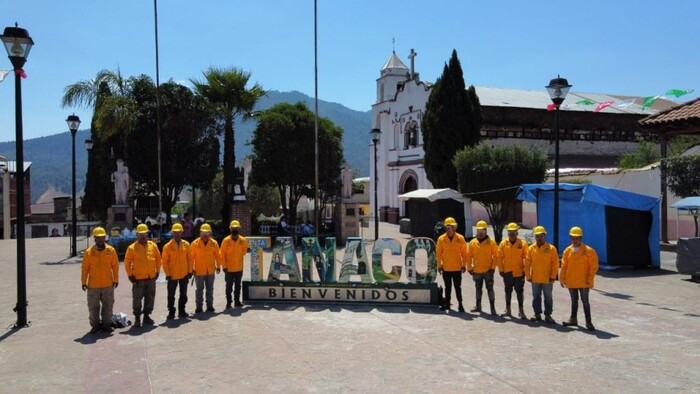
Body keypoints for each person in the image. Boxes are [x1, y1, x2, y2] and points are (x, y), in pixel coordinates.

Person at [81, 227, 119, 334]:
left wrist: (115, 279)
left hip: (108, 284)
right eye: (99, 238)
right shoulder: (89, 252)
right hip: (93, 285)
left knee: (108, 305)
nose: (101, 240)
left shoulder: (110, 250)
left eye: (103, 237)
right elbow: (85, 268)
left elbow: (115, 266)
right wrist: (84, 282)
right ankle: (95, 326)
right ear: (95, 239)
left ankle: (107, 324)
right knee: (93, 307)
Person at [561, 226, 599, 331]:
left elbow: (593, 267)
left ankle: (588, 322)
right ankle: (573, 319)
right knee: (574, 301)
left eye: (577, 238)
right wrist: (562, 279)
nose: (575, 240)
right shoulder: (567, 251)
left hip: (584, 281)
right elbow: (564, 266)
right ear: (570, 238)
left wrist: (589, 279)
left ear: (581, 238)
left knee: (585, 301)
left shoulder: (589, 251)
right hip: (571, 280)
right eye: (573, 238)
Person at [124, 223, 162, 328]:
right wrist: (130, 275)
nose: (142, 236)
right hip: (138, 279)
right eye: (140, 234)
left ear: (147, 234)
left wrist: (157, 271)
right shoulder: (132, 248)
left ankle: (146, 316)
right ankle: (137, 318)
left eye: (144, 234)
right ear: (137, 235)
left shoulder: (153, 245)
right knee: (137, 299)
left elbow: (158, 258)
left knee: (150, 298)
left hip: (151, 277)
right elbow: (127, 263)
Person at [525, 226, 559, 324]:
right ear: (535, 237)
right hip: (535, 278)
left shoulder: (551, 248)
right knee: (536, 296)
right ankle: (537, 314)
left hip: (547, 278)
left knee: (548, 297)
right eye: (537, 236)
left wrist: (553, 276)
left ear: (545, 236)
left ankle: (548, 315)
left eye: (541, 236)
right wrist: (528, 275)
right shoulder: (531, 248)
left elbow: (555, 263)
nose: (539, 238)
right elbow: (527, 263)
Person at [436, 217, 469, 312]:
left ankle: (460, 304)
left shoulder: (460, 238)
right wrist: (439, 265)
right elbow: (438, 253)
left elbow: (464, 253)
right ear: (445, 227)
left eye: (452, 226)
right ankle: (447, 304)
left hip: (457, 268)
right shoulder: (441, 239)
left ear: (455, 227)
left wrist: (464, 265)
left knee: (458, 287)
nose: (450, 228)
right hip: (446, 268)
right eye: (448, 226)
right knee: (447, 287)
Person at [162, 223, 193, 320]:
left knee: (183, 294)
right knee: (171, 295)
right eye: (175, 232)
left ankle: (182, 310)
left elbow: (190, 259)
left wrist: (190, 271)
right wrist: (167, 274)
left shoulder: (186, 245)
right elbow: (164, 261)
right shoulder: (167, 246)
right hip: (172, 274)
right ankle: (171, 312)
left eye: (179, 232)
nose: (177, 234)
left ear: (182, 232)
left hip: (184, 273)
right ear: (172, 233)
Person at [497, 222, 528, 319]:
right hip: (508, 272)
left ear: (517, 233)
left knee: (519, 292)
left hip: (519, 272)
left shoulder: (522, 244)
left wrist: (525, 270)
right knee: (508, 291)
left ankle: (521, 310)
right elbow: (499, 257)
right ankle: (508, 309)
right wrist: (501, 269)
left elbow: (526, 258)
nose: (512, 234)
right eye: (510, 232)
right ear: (507, 233)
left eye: (514, 232)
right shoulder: (503, 243)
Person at [467, 220, 499, 315]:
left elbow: (496, 256)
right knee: (478, 289)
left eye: (482, 231)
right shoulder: (473, 243)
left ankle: (492, 308)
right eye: (479, 231)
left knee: (490, 289)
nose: (480, 233)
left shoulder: (491, 242)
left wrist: (493, 268)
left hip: (488, 270)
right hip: (476, 270)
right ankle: (478, 306)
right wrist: (469, 268)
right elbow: (469, 256)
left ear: (486, 231)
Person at [191, 223, 221, 313]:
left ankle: (210, 306)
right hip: (199, 270)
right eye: (203, 232)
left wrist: (218, 266)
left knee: (210, 289)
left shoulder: (214, 243)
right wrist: (191, 269)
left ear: (210, 233)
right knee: (199, 290)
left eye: (207, 232)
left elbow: (217, 256)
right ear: (200, 233)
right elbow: (191, 257)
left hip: (211, 270)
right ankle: (199, 307)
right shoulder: (195, 244)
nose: (205, 234)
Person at [220, 220, 248, 309]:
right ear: (230, 229)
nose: (235, 229)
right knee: (229, 286)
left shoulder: (242, 240)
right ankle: (228, 302)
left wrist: (237, 257)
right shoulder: (226, 240)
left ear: (239, 229)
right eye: (233, 228)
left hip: (239, 268)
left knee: (238, 286)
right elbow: (222, 254)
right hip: (229, 268)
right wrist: (224, 266)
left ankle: (237, 301)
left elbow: (244, 251)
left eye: (236, 228)